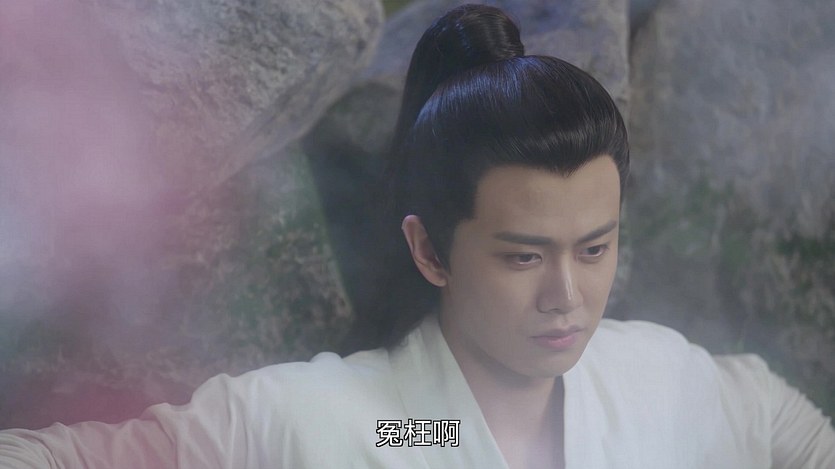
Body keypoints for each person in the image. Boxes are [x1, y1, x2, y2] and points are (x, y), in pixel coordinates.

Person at [1, 4, 833, 468]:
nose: (567, 296)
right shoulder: (331, 420)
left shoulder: (661, 377)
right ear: (430, 248)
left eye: (593, 247)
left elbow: (785, 426)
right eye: (522, 254)